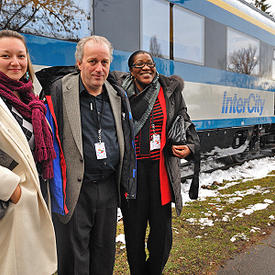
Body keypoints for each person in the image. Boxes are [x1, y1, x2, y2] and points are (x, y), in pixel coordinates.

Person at [36, 35, 136, 275]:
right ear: (79, 63)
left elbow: (127, 138)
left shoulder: (117, 95)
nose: (99, 69)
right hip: (75, 189)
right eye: (92, 61)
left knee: (104, 255)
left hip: (108, 189)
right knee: (73, 259)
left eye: (104, 62)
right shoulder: (58, 91)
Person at [109, 50, 200, 275]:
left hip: (160, 174)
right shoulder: (119, 92)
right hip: (132, 175)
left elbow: (185, 123)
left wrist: (190, 147)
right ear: (131, 70)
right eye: (139, 65)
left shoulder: (169, 91)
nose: (146, 68)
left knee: (161, 237)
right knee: (133, 235)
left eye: (149, 63)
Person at [0, 30, 57, 275]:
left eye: (21, 56)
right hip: (9, 203)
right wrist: (12, 190)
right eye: (5, 55)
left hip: (34, 199)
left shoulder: (29, 99)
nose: (15, 62)